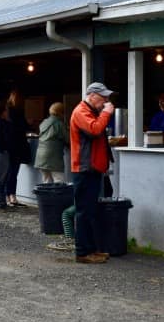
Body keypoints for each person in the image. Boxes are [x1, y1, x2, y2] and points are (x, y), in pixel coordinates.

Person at [70, 81, 115, 264]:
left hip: (91, 169)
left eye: (106, 97)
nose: (105, 100)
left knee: (89, 212)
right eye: (103, 97)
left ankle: (90, 250)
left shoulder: (89, 111)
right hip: (84, 169)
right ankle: (82, 252)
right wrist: (106, 112)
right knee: (84, 212)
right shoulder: (81, 112)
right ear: (92, 95)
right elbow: (95, 130)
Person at [4, 89, 30, 208]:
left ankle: (8, 196)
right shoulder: (17, 111)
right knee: (13, 172)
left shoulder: (8, 110)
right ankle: (11, 196)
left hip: (10, 145)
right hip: (17, 145)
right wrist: (30, 124)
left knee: (10, 172)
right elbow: (23, 126)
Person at [34, 102, 68, 183]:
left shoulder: (44, 122)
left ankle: (47, 196)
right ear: (60, 112)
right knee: (59, 181)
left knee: (46, 182)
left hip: (41, 157)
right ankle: (58, 196)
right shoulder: (59, 124)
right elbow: (68, 139)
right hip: (54, 158)